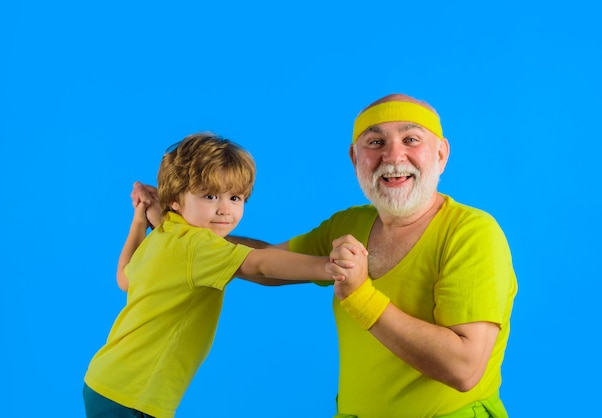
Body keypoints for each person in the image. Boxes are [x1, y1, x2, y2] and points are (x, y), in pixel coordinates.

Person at [134, 94, 518, 418]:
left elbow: (464, 368)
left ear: (441, 154)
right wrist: (183, 229)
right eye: (375, 142)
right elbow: (267, 264)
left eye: (411, 139)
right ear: (355, 158)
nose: (393, 156)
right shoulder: (350, 223)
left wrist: (361, 296)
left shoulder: (472, 233)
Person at [84, 133, 357, 418]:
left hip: (106, 382)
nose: (225, 209)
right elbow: (259, 264)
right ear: (174, 199)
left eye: (236, 197)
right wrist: (328, 266)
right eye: (210, 196)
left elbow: (124, 279)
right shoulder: (197, 245)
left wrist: (139, 220)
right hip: (132, 396)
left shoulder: (165, 234)